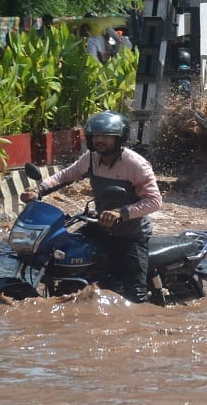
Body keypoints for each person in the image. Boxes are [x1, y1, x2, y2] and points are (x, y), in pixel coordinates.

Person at [19, 111, 163, 303]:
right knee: (63, 251)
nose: (99, 140)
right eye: (96, 136)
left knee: (135, 295)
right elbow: (65, 176)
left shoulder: (136, 165)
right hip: (100, 226)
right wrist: (39, 190)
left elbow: (154, 201)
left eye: (105, 136)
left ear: (119, 138)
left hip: (130, 234)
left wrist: (121, 212)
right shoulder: (91, 159)